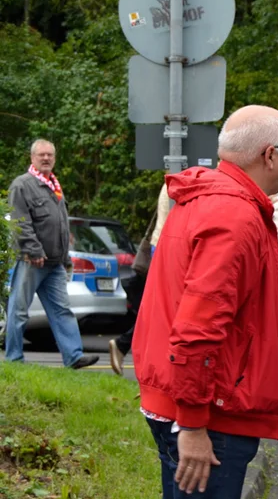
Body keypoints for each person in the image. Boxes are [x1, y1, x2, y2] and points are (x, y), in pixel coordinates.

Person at [133, 105, 278, 499]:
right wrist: (195, 425)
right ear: (270, 155)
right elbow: (199, 330)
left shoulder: (206, 200)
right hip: (210, 411)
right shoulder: (235, 217)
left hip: (188, 401)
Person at [5, 139, 98, 370]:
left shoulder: (54, 185)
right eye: (41, 155)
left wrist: (65, 258)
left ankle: (74, 356)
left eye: (50, 155)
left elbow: (62, 226)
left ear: (54, 159)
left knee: (62, 310)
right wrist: (33, 250)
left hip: (54, 262)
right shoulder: (22, 185)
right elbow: (20, 222)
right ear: (32, 158)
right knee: (18, 311)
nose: (46, 159)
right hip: (31, 260)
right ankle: (14, 360)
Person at [109, 184, 171, 375]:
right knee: (166, 310)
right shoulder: (181, 182)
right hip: (167, 247)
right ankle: (128, 349)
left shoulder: (174, 182)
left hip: (162, 245)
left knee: (162, 309)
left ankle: (125, 346)